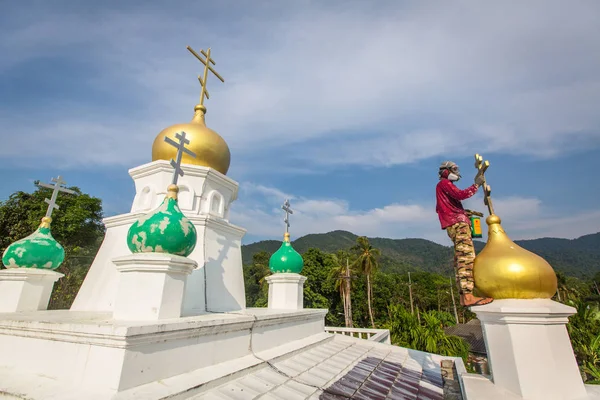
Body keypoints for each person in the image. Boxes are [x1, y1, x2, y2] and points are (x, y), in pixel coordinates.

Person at [436, 161, 493, 307]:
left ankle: (464, 297)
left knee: (461, 258)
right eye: (454, 169)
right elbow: (461, 195)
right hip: (458, 223)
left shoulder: (442, 188)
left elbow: (444, 206)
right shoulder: (444, 184)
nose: (456, 172)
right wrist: (476, 186)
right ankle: (468, 296)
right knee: (466, 258)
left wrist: (463, 212)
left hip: (454, 222)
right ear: (446, 171)